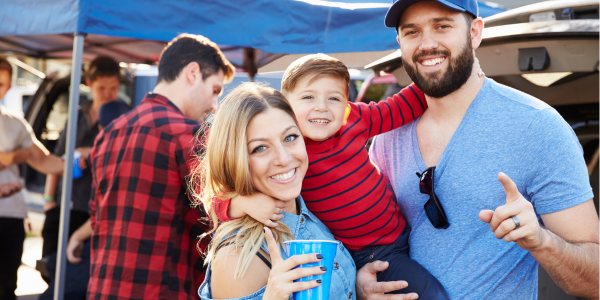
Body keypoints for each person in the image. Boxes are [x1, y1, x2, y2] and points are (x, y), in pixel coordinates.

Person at [368, 0, 598, 298]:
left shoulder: (537, 127)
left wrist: (541, 241)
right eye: (412, 32)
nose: (427, 43)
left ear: (475, 32)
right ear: (400, 42)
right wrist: (363, 284)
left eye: (442, 26)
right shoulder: (387, 135)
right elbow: (370, 244)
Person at [215, 54, 450, 298]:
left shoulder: (354, 119)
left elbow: (402, 106)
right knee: (431, 293)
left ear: (346, 104)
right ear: (286, 104)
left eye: (334, 98)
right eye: (308, 97)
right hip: (370, 253)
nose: (321, 107)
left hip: (401, 233)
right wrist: (243, 202)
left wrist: (441, 71)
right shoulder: (293, 151)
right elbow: (221, 191)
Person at [87, 33, 235, 299]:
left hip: (104, 288)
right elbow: (224, 215)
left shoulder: (107, 133)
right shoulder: (188, 133)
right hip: (162, 290)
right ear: (193, 73)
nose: (215, 106)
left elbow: (97, 219)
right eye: (215, 90)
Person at [38, 100, 131, 300]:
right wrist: (49, 201)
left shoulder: (116, 158)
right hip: (95, 230)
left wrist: (78, 236)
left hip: (109, 240)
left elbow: (108, 208)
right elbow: (56, 163)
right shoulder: (103, 153)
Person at [41, 55, 121, 261]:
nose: (108, 94)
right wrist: (49, 202)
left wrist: (92, 152)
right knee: (50, 267)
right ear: (89, 84)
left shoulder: (123, 120)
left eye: (113, 88)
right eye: (102, 88)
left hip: (95, 211)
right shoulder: (76, 117)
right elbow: (56, 160)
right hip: (63, 207)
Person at [0, 56, 63, 300]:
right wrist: (16, 155)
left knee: (7, 287)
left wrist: (77, 161)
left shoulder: (15, 123)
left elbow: (44, 160)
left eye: (2, 84)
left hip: (12, 215)